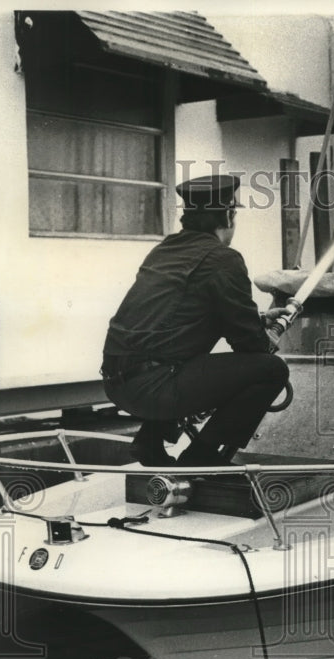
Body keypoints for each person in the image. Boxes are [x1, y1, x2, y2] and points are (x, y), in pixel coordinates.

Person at [101, 173, 290, 467]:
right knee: (271, 369)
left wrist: (259, 318)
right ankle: (200, 458)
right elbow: (250, 345)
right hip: (153, 389)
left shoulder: (165, 249)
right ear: (228, 215)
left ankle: (149, 443)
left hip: (116, 382)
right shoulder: (223, 258)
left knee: (185, 359)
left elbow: (175, 319)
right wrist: (263, 335)